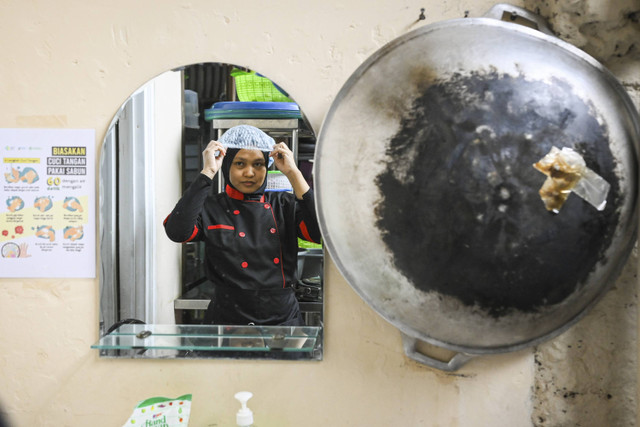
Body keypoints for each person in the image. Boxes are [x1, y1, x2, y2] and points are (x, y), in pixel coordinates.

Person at [164, 125, 321, 326]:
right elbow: (177, 232)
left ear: (268, 166)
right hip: (227, 319)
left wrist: (294, 173)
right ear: (227, 164)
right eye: (240, 164)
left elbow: (319, 234)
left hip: (281, 320)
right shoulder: (211, 207)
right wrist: (208, 172)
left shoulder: (284, 205)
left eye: (258, 164)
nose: (249, 173)